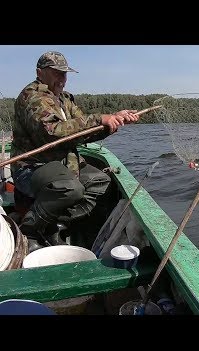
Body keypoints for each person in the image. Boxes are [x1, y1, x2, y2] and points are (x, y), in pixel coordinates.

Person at [11, 51, 140, 251]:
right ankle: (30, 228)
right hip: (32, 168)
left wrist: (113, 121)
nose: (62, 79)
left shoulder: (64, 99)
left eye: (64, 74)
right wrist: (100, 118)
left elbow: (84, 131)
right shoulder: (32, 97)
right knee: (71, 188)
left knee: (101, 182)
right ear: (40, 72)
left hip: (63, 165)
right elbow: (52, 133)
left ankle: (53, 223)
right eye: (56, 73)